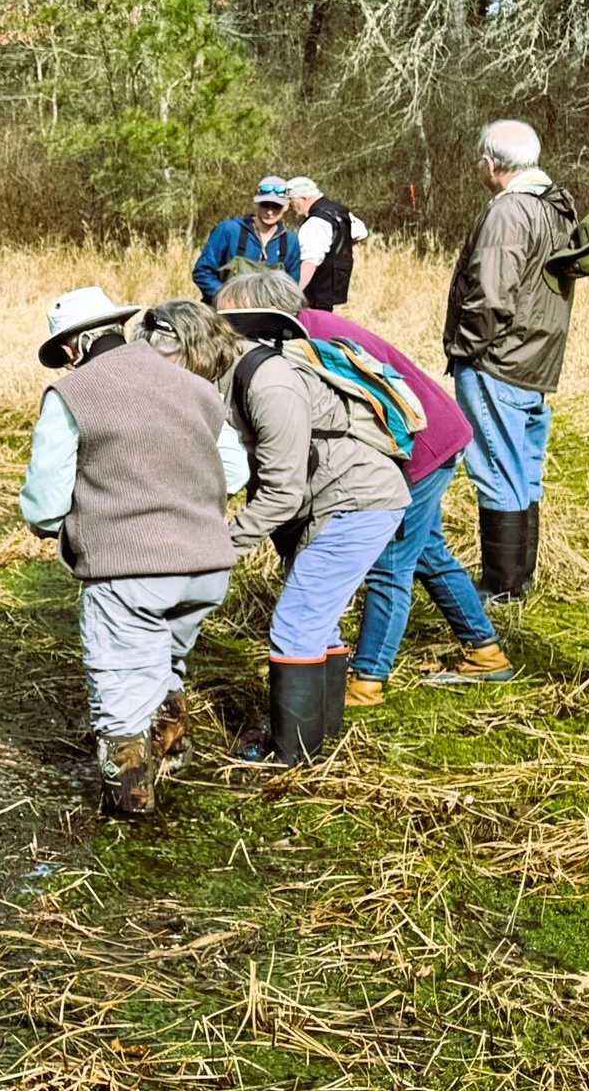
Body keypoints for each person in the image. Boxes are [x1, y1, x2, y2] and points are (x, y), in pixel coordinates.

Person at [221, 268, 512, 703]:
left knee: (391, 562)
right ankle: (485, 651)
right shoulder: (307, 330)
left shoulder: (307, 342)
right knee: (427, 551)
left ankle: (369, 678)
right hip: (429, 436)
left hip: (419, 447)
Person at [21, 290, 246, 817]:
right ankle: (172, 758)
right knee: (166, 664)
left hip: (130, 570)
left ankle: (130, 813)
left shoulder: (73, 392)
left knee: (120, 690)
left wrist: (57, 527)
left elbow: (46, 501)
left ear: (75, 346)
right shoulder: (196, 387)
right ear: (118, 328)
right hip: (207, 566)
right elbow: (235, 472)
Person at [213, 270, 410, 761]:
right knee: (316, 621)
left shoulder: (271, 383)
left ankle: (293, 754)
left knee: (296, 624)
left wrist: (221, 546)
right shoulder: (253, 375)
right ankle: (319, 738)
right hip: (345, 502)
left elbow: (280, 494)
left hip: (356, 503)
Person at [443, 120, 579, 603]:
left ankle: (501, 586)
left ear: (491, 163)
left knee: (497, 471)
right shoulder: (557, 208)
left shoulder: (510, 212)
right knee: (524, 470)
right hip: (535, 361)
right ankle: (519, 580)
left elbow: (492, 296)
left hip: (497, 362)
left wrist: (466, 350)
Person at [192, 177, 302, 302]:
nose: (270, 212)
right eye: (265, 205)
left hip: (269, 315)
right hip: (226, 311)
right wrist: (225, 296)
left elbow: (292, 286)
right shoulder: (228, 230)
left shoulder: (290, 241)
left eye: (276, 206)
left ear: (286, 206)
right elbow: (202, 272)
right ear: (255, 203)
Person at [287, 177, 368, 312]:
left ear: (304, 197)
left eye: (292, 201)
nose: (291, 206)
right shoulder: (339, 210)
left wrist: (292, 295)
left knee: (311, 328)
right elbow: (361, 232)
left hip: (315, 292)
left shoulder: (316, 222)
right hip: (332, 286)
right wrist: (337, 249)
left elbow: (309, 263)